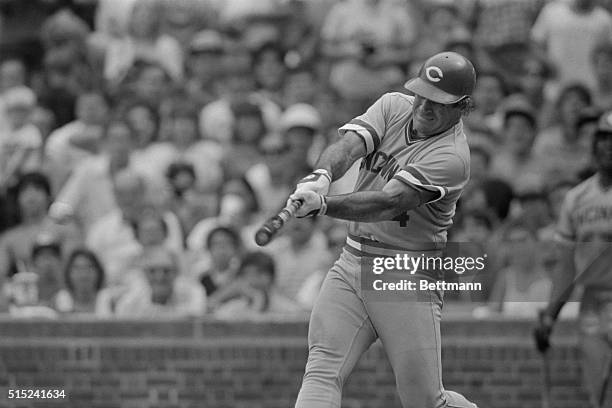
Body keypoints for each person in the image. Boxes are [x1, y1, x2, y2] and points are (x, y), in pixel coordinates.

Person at [288, 52, 478, 408]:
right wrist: (322, 175)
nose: (424, 106)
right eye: (422, 94)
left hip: (404, 273)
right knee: (322, 368)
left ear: (463, 107)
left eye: (438, 102)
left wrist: (325, 205)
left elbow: (388, 202)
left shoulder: (452, 156)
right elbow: (349, 145)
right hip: (352, 261)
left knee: (425, 401)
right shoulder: (394, 105)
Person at [534, 111, 612, 408]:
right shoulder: (576, 198)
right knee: (599, 397)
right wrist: (550, 316)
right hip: (592, 305)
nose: (608, 146)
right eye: (603, 138)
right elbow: (566, 267)